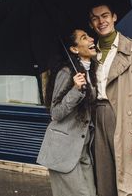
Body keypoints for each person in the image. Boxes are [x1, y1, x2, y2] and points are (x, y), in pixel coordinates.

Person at [89, 4, 132, 196]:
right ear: (90, 23)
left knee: (130, 184)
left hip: (125, 122)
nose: (101, 22)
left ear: (115, 17)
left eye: (105, 15)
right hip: (95, 121)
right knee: (103, 182)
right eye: (95, 18)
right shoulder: (90, 54)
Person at [37, 29, 97, 196]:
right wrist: (76, 90)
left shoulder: (89, 71)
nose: (92, 39)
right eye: (84, 38)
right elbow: (55, 113)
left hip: (82, 151)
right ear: (74, 49)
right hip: (63, 152)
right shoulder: (66, 72)